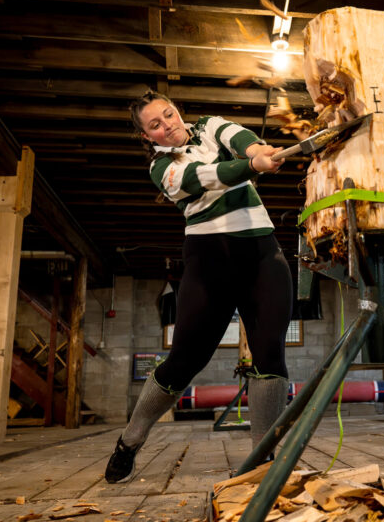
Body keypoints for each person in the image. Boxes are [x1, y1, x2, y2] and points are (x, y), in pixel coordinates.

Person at [104, 91, 294, 483]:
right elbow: (201, 177)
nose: (167, 125)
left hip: (262, 250)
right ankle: (131, 439)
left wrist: (257, 150)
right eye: (155, 125)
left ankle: (262, 460)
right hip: (209, 259)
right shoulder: (161, 168)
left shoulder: (208, 125)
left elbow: (239, 137)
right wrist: (251, 165)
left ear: (176, 110)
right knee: (186, 360)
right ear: (146, 136)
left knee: (270, 354)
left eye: (168, 114)